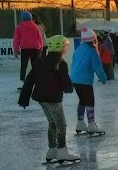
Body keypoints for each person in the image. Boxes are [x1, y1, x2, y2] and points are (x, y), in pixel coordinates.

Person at [18, 35, 79, 163]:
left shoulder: (40, 61)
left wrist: (24, 98)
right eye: (65, 47)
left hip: (41, 98)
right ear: (62, 48)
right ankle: (62, 151)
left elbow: (29, 79)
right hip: (52, 98)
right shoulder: (60, 64)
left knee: (53, 123)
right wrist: (69, 88)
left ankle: (52, 150)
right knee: (61, 124)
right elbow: (64, 81)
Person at [70, 27, 108, 135]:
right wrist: (103, 78)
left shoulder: (78, 49)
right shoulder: (92, 52)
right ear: (93, 40)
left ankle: (80, 122)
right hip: (85, 80)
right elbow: (98, 67)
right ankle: (91, 125)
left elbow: (73, 63)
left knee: (82, 100)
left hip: (75, 79)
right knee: (90, 101)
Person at [13, 10, 43, 89]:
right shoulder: (35, 26)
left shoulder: (19, 27)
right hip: (36, 49)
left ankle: (24, 82)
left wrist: (16, 50)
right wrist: (41, 48)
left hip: (25, 49)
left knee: (24, 66)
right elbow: (40, 38)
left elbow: (16, 39)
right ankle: (37, 83)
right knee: (35, 66)